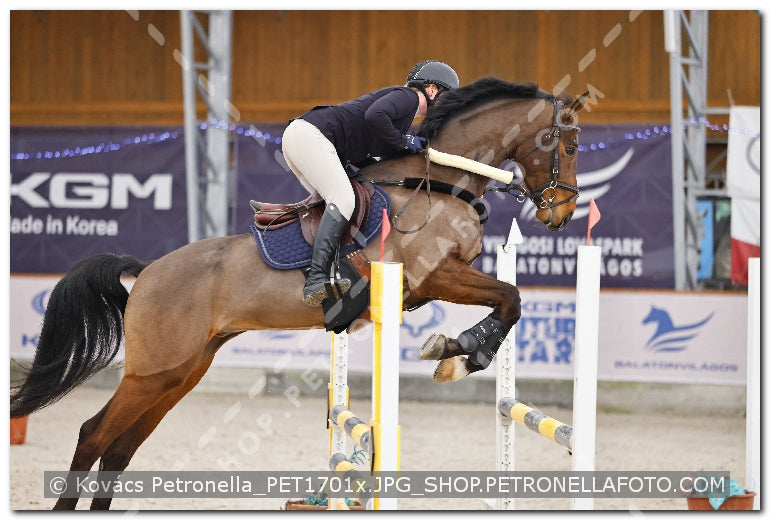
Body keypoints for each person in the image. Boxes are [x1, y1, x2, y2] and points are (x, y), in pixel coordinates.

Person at [282, 59, 460, 306]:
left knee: (340, 205)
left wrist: (406, 146)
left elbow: (374, 149)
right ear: (431, 89)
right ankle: (316, 278)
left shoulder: (403, 115)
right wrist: (406, 141)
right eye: (445, 98)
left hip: (305, 138)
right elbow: (374, 116)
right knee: (344, 200)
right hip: (311, 136)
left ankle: (323, 271)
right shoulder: (408, 97)